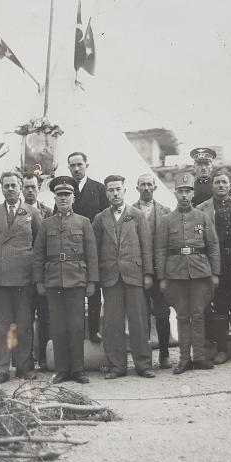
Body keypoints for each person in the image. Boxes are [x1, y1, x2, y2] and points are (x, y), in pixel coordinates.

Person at [34, 176, 98, 384]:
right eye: (60, 195)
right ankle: (62, 369)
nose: (63, 199)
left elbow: (92, 254)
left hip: (76, 279)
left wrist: (91, 282)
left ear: (73, 198)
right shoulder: (46, 224)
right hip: (53, 281)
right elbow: (38, 255)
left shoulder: (83, 222)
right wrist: (39, 282)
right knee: (58, 327)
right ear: (55, 198)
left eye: (67, 195)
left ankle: (78, 369)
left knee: (77, 325)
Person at [155, 173, 220, 374]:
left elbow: (213, 246)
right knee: (182, 316)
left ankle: (199, 357)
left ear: (192, 194)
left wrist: (215, 273)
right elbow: (160, 250)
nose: (184, 195)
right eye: (181, 191)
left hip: (200, 273)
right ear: (175, 194)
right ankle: (184, 359)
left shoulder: (203, 217)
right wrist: (162, 278)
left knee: (199, 314)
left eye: (187, 191)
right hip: (176, 275)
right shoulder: (166, 220)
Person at [92, 175, 155, 379]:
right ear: (106, 193)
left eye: (118, 189)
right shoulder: (100, 218)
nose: (115, 193)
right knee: (112, 323)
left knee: (138, 321)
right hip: (110, 277)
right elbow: (95, 250)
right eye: (110, 190)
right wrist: (97, 276)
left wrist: (147, 274)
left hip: (134, 275)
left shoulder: (136, 215)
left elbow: (146, 247)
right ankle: (117, 366)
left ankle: (143, 365)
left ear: (125, 191)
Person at [0, 170, 42, 383]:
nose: (10, 189)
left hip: (23, 278)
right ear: (1, 188)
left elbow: (38, 247)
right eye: (6, 185)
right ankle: (2, 369)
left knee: (24, 324)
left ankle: (23, 367)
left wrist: (35, 277)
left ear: (21, 187)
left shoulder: (31, 212)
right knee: (1, 325)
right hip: (0, 278)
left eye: (14, 185)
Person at [196, 169, 231, 362]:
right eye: (217, 182)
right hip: (215, 265)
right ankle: (222, 350)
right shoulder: (202, 209)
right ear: (212, 185)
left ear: (229, 184)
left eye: (224, 182)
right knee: (218, 306)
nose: (221, 186)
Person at [67, 152, 110, 343]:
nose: (76, 169)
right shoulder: (65, 190)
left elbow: (106, 220)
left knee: (94, 290)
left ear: (86, 165)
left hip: (93, 249)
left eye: (79, 165)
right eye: (72, 166)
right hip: (70, 251)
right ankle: (75, 334)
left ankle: (94, 331)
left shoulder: (99, 189)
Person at [132, 173, 173, 368]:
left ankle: (164, 353)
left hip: (160, 272)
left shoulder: (165, 212)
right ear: (137, 188)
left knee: (162, 314)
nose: (146, 188)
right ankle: (145, 356)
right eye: (143, 185)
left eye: (149, 184)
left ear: (155, 187)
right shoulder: (129, 212)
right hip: (137, 271)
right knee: (142, 314)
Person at [22, 172, 52, 369]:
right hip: (23, 274)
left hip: (43, 274)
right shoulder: (17, 211)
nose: (30, 190)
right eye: (26, 187)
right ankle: (27, 360)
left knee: (45, 318)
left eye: (33, 187)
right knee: (25, 318)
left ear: (39, 188)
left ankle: (43, 356)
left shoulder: (48, 212)